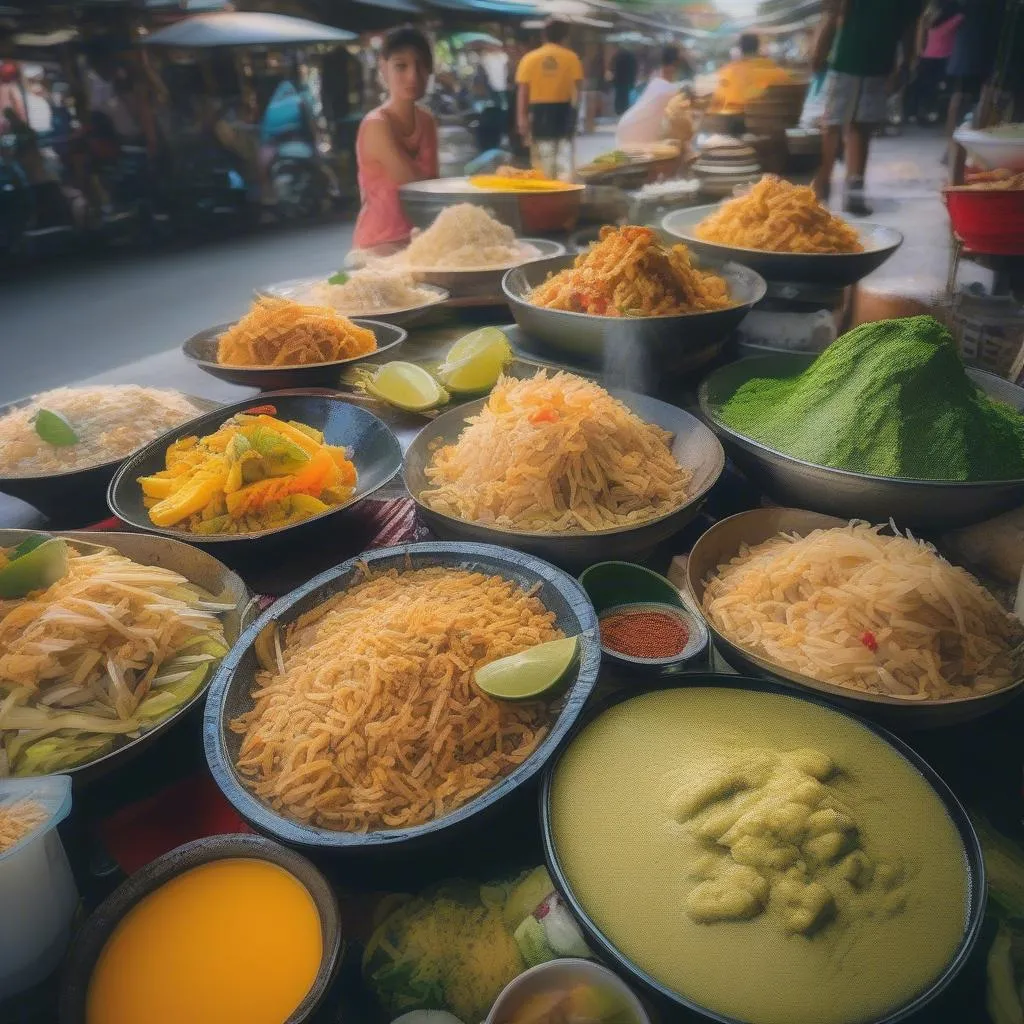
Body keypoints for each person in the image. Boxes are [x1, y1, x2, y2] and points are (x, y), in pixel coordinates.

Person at [811, 0, 923, 215]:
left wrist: (905, 65)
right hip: (856, 61)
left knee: (847, 127)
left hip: (867, 64)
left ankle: (841, 190)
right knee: (847, 127)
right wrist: (905, 65)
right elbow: (834, 11)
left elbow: (910, 26)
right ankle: (828, 188)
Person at [353, 27, 438, 251]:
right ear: (383, 68)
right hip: (379, 245)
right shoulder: (376, 125)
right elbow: (417, 189)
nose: (413, 76)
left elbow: (435, 187)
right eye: (401, 66)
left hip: (420, 241)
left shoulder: (426, 120)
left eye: (420, 65)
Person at [515, 20, 583, 180]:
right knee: (563, 159)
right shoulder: (571, 58)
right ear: (565, 36)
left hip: (538, 113)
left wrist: (522, 119)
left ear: (543, 36)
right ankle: (563, 191)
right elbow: (578, 91)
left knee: (542, 159)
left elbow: (523, 92)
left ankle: (545, 189)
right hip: (564, 111)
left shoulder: (529, 58)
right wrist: (575, 116)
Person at [708, 33, 790, 120]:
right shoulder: (779, 73)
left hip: (738, 127)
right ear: (758, 47)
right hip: (777, 126)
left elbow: (718, 103)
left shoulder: (728, 72)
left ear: (740, 49)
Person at [905, 1, 961, 123]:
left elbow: (920, 32)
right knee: (938, 88)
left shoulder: (929, 20)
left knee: (923, 86)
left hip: (927, 56)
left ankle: (915, 112)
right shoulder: (956, 20)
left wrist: (919, 51)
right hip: (944, 58)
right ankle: (932, 112)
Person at [610, 46, 638, 116]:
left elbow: (612, 68)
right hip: (628, 80)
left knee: (619, 96)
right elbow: (635, 68)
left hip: (619, 81)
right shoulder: (631, 57)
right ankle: (627, 110)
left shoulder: (617, 57)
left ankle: (619, 110)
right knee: (627, 96)